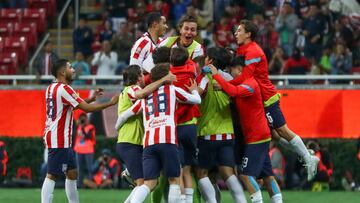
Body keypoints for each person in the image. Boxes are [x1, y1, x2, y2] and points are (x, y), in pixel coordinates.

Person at [230, 19, 319, 181]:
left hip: (266, 98)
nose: (236, 33)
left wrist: (225, 85)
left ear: (249, 34)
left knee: (283, 130)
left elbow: (245, 77)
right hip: (258, 99)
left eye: (239, 31)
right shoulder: (244, 50)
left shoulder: (253, 52)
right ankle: (306, 153)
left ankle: (308, 157)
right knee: (275, 136)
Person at [116, 63, 201, 203]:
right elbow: (196, 100)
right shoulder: (172, 90)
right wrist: (194, 90)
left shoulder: (144, 97)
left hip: (149, 143)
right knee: (174, 179)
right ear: (166, 76)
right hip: (167, 140)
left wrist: (117, 127)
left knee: (148, 183)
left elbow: (126, 114)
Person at [41, 59, 118, 203]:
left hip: (59, 137)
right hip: (59, 138)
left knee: (72, 173)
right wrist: (110, 103)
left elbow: (74, 105)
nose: (74, 70)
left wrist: (91, 98)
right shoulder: (65, 89)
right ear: (62, 72)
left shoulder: (51, 88)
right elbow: (86, 109)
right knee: (52, 175)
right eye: (70, 67)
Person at [208, 57, 283, 203]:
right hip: (258, 136)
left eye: (232, 70)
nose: (231, 73)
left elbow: (234, 91)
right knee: (267, 175)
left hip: (257, 137)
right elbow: (230, 86)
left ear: (239, 69)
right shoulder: (244, 82)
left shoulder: (250, 84)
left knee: (246, 175)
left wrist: (216, 74)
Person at [196, 47, 247, 203]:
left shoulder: (204, 78)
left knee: (201, 174)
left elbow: (196, 95)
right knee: (228, 173)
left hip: (207, 133)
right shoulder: (229, 79)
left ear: (210, 60)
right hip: (227, 134)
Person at [169, 47, 201, 202]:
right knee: (188, 170)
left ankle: (181, 200)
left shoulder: (168, 77)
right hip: (190, 125)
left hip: (175, 126)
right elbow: (190, 63)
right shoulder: (191, 72)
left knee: (178, 170)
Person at [115, 65, 145, 203]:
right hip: (130, 142)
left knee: (145, 182)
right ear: (138, 77)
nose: (144, 77)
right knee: (142, 182)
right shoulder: (134, 89)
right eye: (142, 74)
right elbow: (142, 101)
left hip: (129, 142)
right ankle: (128, 172)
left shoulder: (124, 92)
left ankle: (128, 172)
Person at [73, 113, 96, 188]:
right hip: (79, 150)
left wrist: (82, 128)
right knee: (79, 168)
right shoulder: (77, 127)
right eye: (81, 119)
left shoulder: (91, 127)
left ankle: (90, 184)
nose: (83, 120)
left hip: (88, 150)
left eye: (84, 119)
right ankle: (79, 184)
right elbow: (72, 134)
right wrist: (78, 124)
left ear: (87, 119)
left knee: (90, 168)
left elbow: (89, 137)